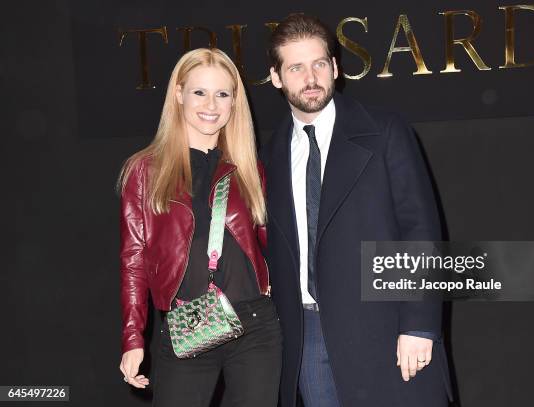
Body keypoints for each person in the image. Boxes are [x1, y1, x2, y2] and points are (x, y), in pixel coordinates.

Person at [259, 14, 453, 407]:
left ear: (335, 67)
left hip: (386, 327)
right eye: (295, 67)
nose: (310, 77)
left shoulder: (384, 131)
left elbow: (421, 230)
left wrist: (418, 324)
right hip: (307, 335)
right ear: (277, 78)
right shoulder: (268, 156)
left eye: (319, 64)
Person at [117, 48, 281, 407]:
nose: (211, 104)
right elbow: (134, 259)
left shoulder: (249, 167)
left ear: (235, 101)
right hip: (189, 323)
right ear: (179, 94)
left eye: (223, 93)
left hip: (256, 323)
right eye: (199, 92)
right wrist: (133, 338)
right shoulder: (144, 171)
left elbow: (271, 243)